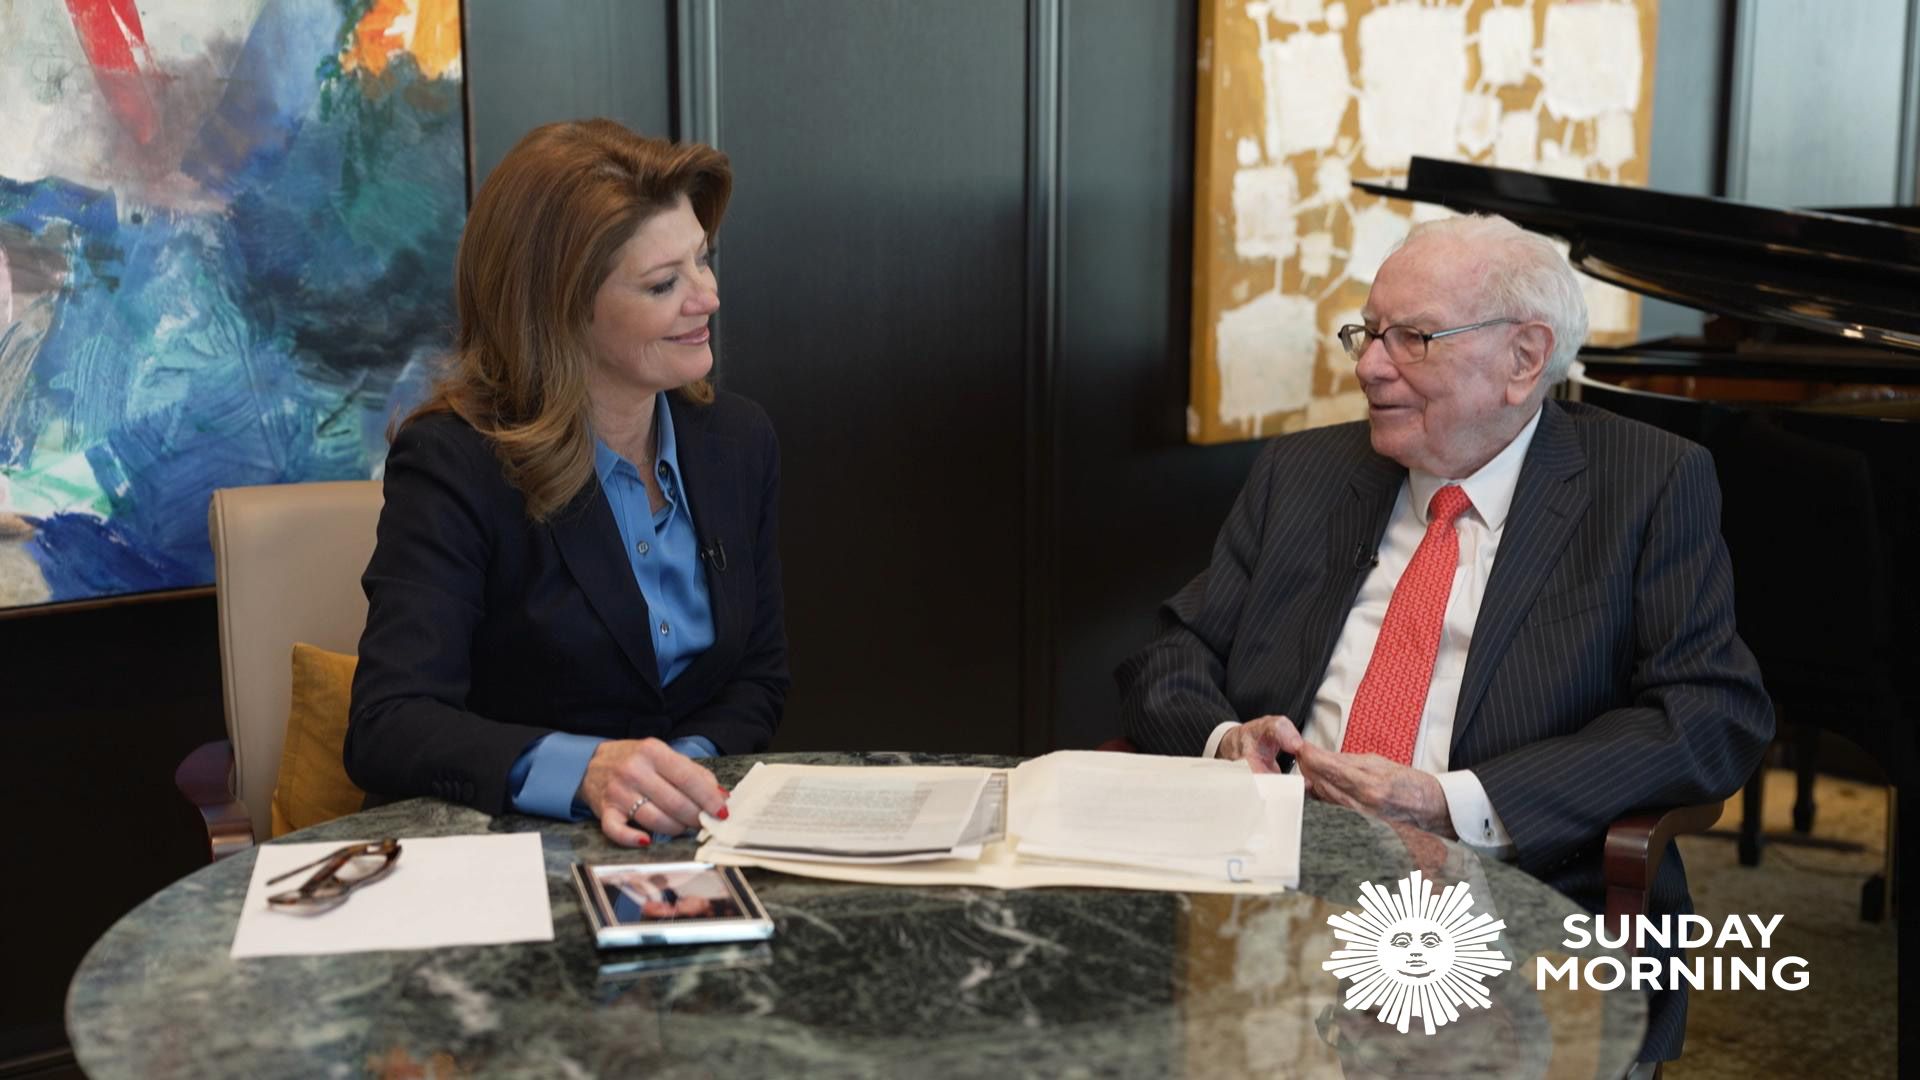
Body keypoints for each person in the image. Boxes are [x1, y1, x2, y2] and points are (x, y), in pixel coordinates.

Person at [1115, 213, 1772, 1066]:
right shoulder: (1305, 472)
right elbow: (1172, 653)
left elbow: (1712, 714)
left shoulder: (1646, 485)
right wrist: (1224, 740)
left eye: (1412, 338)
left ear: (1525, 361)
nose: (1368, 365)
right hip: (1276, 888)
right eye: (1369, 332)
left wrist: (1454, 802)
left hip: (1513, 903)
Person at [345, 120, 787, 849]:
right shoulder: (454, 462)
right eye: (663, 283)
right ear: (561, 310)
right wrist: (586, 771)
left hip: (686, 844)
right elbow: (391, 723)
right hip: (499, 864)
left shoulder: (739, 442)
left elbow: (760, 679)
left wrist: (674, 777)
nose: (706, 297)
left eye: (703, 263)